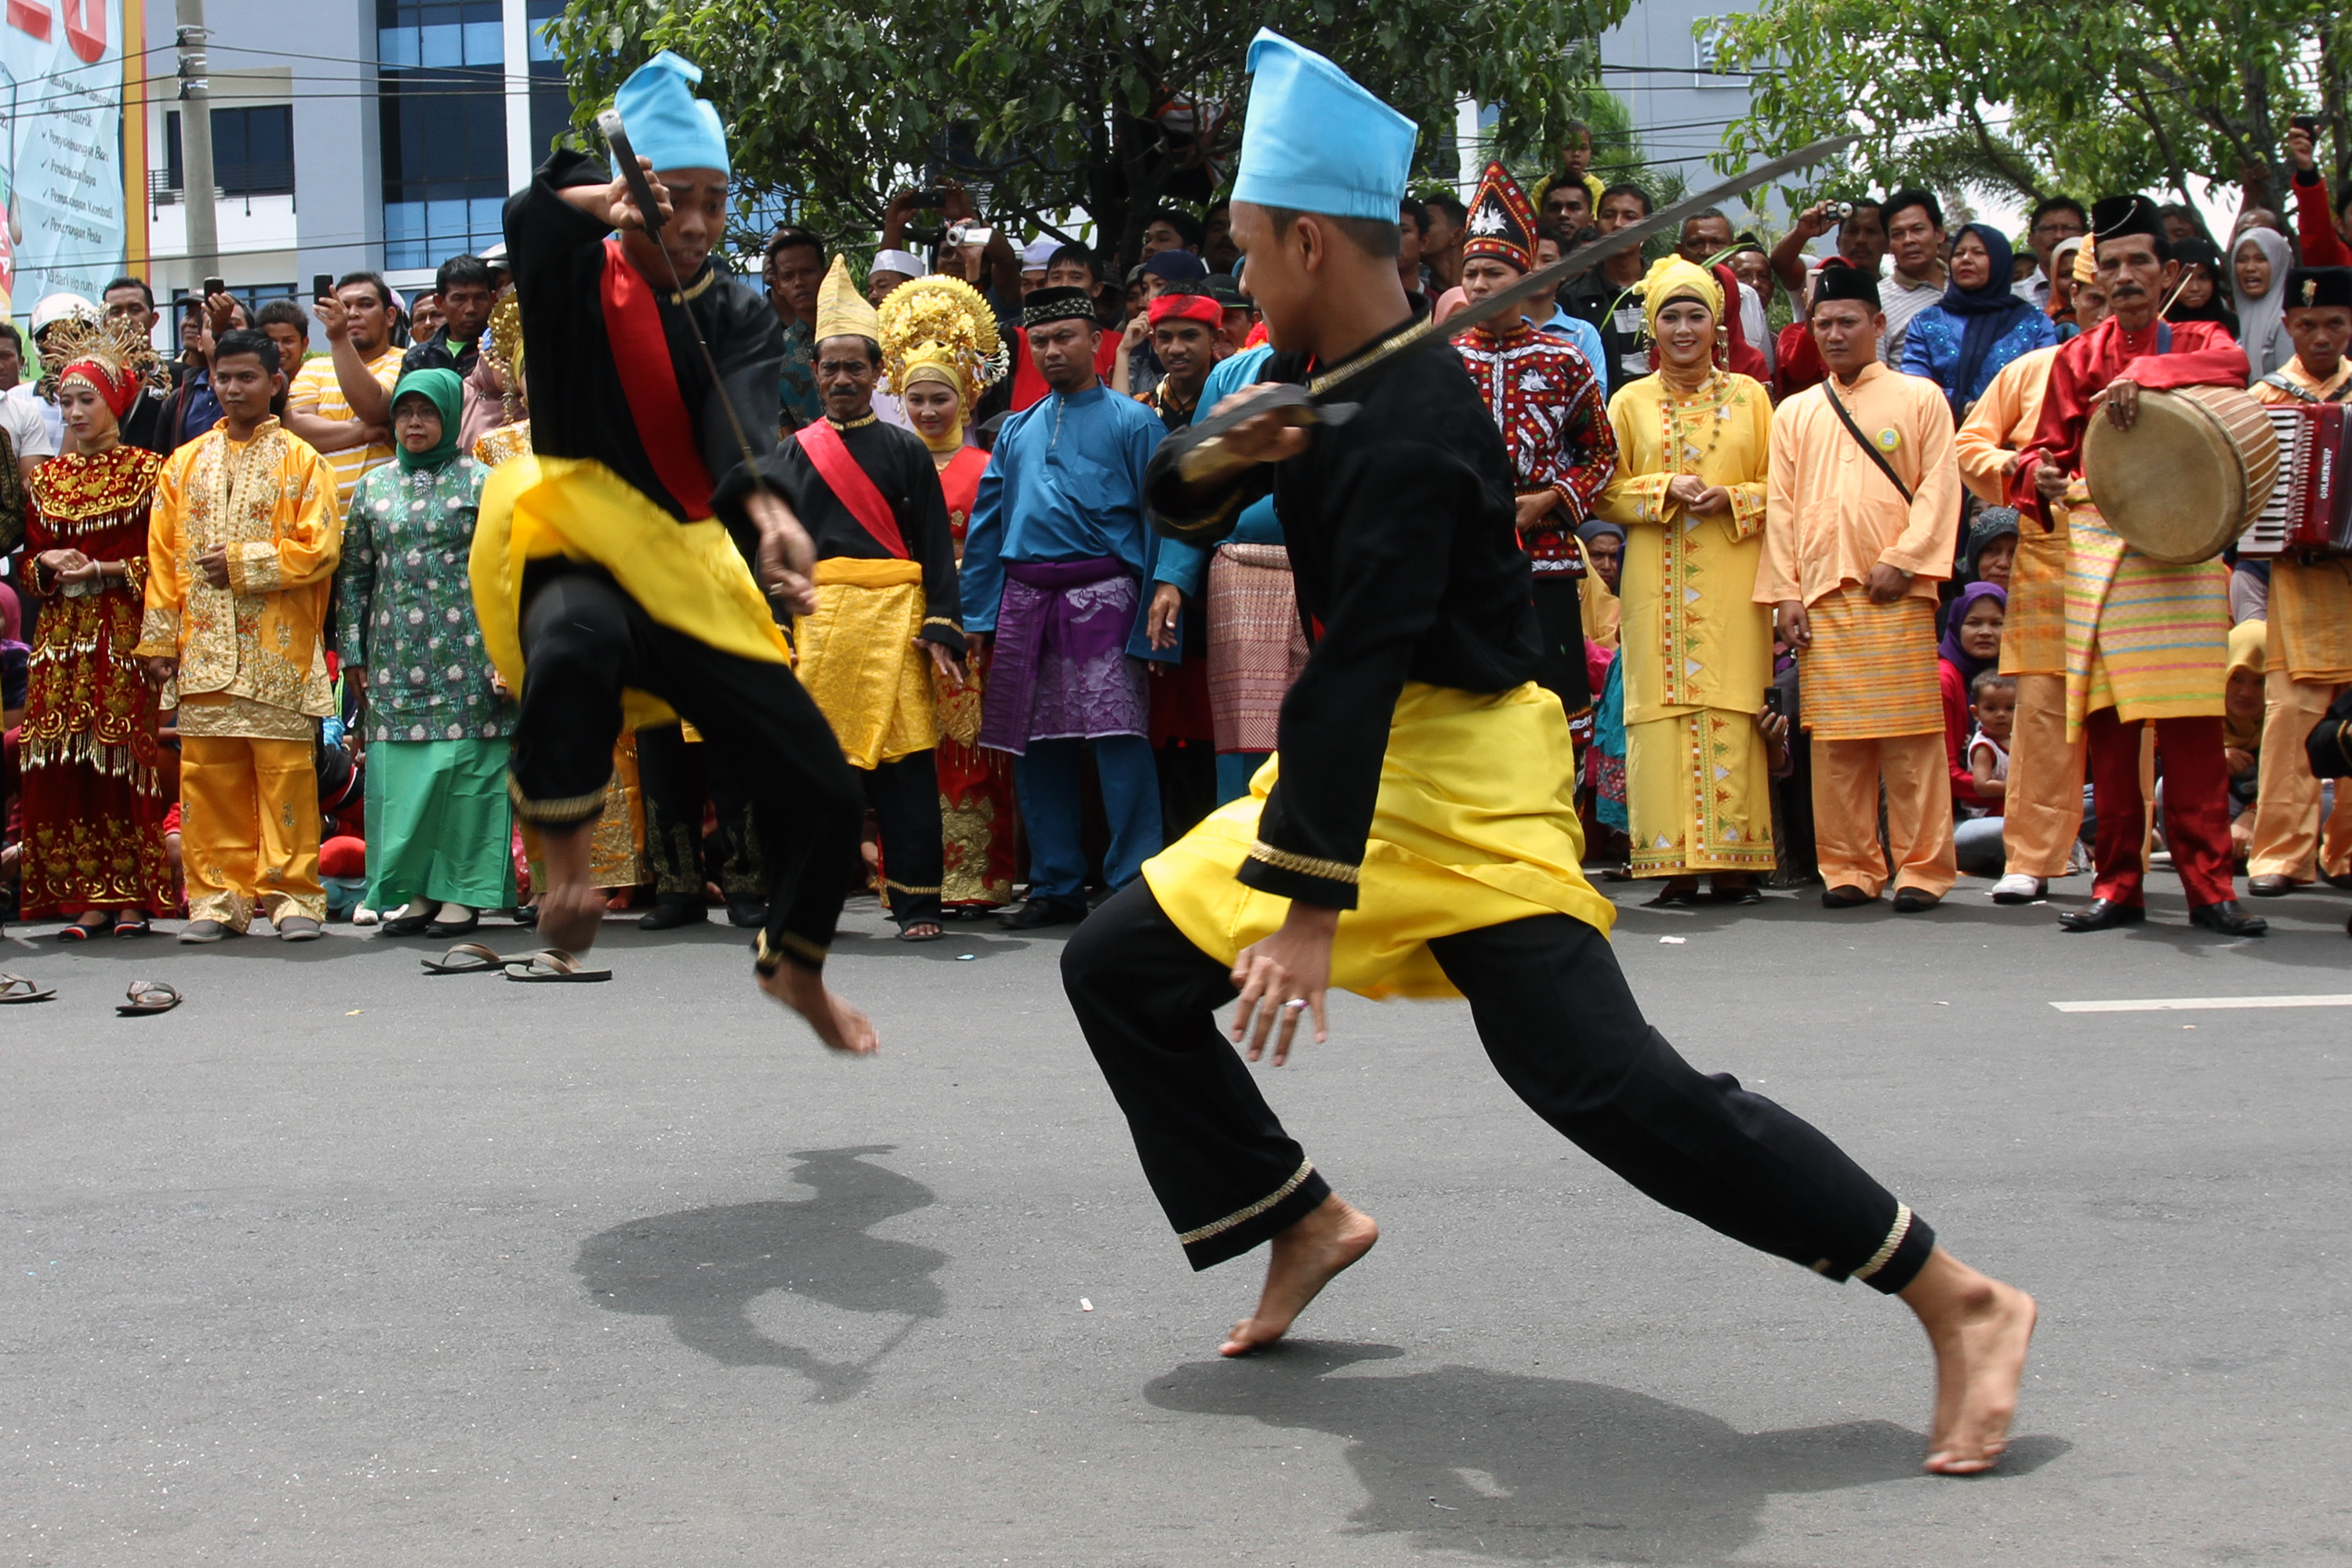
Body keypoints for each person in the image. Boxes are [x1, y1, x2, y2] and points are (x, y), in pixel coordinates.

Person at [1065, 31, 2034, 1479]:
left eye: (1255, 250)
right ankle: (1296, 1214)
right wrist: (1225, 449)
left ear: (1312, 240)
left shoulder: (1407, 426)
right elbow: (1177, 489)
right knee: (1120, 970)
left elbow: (1365, 671)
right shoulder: (1306, 365)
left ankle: (1957, 1296)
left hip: (1462, 778)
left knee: (1607, 1089)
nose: (1243, 278)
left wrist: (1311, 909)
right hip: (1372, 765)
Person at [469, 49, 874, 1043]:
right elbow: (531, 214)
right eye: (675, 199)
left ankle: (798, 963)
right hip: (575, 536)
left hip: (689, 563)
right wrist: (603, 200)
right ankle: (569, 870)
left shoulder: (736, 308)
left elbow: (736, 431)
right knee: (573, 646)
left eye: (716, 203)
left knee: (820, 785)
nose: (695, 224)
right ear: (631, 190)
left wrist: (773, 514)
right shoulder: (573, 269)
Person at [2009, 194, 2265, 936]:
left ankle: (2210, 889)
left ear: (2168, 273)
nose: (2124, 277)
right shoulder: (2076, 358)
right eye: (2111, 265)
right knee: (2113, 737)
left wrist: (2148, 376)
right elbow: (2038, 455)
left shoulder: (2198, 334)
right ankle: (2118, 884)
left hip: (2180, 551)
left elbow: (2234, 363)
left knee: (2192, 734)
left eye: (2138, 264)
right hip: (2098, 557)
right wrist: (2042, 481)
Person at [755, 260, 968, 942]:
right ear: (815, 375)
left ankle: (917, 904)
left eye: (856, 368)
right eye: (831, 368)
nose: (843, 379)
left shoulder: (907, 452)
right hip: (817, 627)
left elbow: (935, 544)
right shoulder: (789, 457)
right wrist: (775, 629)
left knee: (906, 766)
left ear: (878, 376)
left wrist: (942, 624)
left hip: (895, 625)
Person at [960, 282, 1173, 927]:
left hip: (1107, 595)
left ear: (1096, 341)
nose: (1053, 351)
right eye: (1042, 341)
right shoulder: (1017, 427)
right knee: (1037, 744)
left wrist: (1164, 608)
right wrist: (977, 616)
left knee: (1118, 739)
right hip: (1026, 601)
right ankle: (1054, 884)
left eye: (1065, 338)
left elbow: (1161, 517)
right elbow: (989, 525)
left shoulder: (1136, 421)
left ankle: (1133, 879)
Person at [1760, 266, 1963, 910]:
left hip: (1895, 593)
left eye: (1848, 321)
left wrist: (1905, 558)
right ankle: (1848, 866)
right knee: (1837, 745)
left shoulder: (1921, 397)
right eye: (1823, 323)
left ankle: (1923, 869)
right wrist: (1786, 592)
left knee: (1911, 740)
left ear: (1879, 324)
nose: (1835, 333)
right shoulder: (1794, 412)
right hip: (1823, 595)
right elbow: (1781, 506)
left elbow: (1940, 486)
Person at [132, 328, 339, 942]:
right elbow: (164, 557)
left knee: (285, 780)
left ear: (276, 383)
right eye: (223, 377)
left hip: (277, 651)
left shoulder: (303, 461)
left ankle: (292, 896)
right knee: (207, 780)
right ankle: (216, 898)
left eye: (247, 377)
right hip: (203, 652)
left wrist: (247, 562)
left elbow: (321, 546)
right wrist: (160, 642)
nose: (232, 388)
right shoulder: (185, 462)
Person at [1595, 258, 1777, 904]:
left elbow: (1780, 486)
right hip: (1656, 585)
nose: (1682, 328)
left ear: (1717, 324)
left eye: (1695, 314)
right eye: (1669, 316)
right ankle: (1669, 864)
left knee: (1731, 703)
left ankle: (1733, 864)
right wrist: (1662, 487)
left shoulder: (1752, 397)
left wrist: (1733, 499)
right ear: (1651, 329)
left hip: (1732, 574)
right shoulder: (1628, 402)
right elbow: (1604, 489)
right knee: (1660, 711)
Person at [332, 367, 514, 937]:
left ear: (449, 418)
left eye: (428, 413)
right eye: (405, 413)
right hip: (393, 657)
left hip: (470, 652)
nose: (415, 423)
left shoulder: (484, 482)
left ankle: (463, 894)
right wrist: (352, 653)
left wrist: (509, 654)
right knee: (402, 777)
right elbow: (355, 576)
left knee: (467, 772)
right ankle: (413, 892)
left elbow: (510, 570)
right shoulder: (373, 486)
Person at [17, 318, 175, 935]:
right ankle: (83, 893)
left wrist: (108, 567)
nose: (76, 413)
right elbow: (29, 560)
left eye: (88, 401)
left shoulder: (147, 471)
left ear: (116, 402)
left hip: (122, 633)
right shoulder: (47, 480)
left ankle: (133, 896)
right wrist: (47, 564)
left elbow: (167, 559)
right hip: (59, 640)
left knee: (121, 760)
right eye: (66, 402)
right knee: (63, 761)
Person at [1454, 160, 1617, 719]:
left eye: (1493, 274)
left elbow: (1602, 453)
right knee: (1477, 708)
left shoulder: (1564, 359)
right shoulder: (1443, 363)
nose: (1479, 284)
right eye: (1471, 273)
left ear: (1523, 278)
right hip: (1464, 560)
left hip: (1547, 560)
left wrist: (1549, 500)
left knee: (1556, 709)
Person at [882, 270, 1017, 912]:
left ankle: (981, 876)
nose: (929, 410)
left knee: (974, 748)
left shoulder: (988, 468)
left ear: (966, 398)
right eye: (918, 400)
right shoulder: (892, 466)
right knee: (911, 748)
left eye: (941, 398)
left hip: (972, 619)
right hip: (909, 619)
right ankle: (912, 876)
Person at [1955, 336, 2085, 904]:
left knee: (2130, 725)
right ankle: (2031, 857)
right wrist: (2014, 468)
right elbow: (1970, 444)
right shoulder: (2034, 368)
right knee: (2042, 720)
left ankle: (2122, 869)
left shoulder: (2156, 364)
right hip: (2049, 555)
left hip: (2136, 561)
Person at [2245, 266, 2352, 894]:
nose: (2320, 337)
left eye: (2334, 324)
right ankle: (2281, 854)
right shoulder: (2265, 400)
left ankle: (2345, 854)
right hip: (2297, 583)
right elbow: (2247, 495)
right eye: (2307, 324)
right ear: (2286, 325)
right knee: (2291, 719)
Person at [1900, 223, 2056, 424]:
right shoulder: (1926, 322)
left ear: (1999, 261)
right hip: (1945, 438)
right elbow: (1915, 386)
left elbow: (2047, 382)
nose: (1966, 259)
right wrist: (1963, 406)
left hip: (2017, 442)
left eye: (1978, 253)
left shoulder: (2033, 320)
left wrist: (1996, 412)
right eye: (1959, 254)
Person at [287, 273, 402, 510]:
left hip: (382, 517)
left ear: (390, 317)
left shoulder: (405, 361)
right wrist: (363, 432)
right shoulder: (313, 368)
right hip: (318, 523)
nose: (352, 313)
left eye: (366, 304)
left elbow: (373, 407)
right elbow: (294, 430)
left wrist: (339, 339)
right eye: (344, 306)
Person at [1007, 245, 1123, 412]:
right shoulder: (1021, 338)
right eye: (1056, 277)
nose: (1064, 285)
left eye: (1076, 277)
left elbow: (1124, 411)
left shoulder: (1118, 344)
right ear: (1046, 284)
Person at [1940, 582, 2006, 818]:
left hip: (2015, 804)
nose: (1986, 632)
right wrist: (2018, 795)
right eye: (1974, 623)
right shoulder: (1944, 679)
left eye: (1997, 623)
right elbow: (1944, 773)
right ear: (1956, 625)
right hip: (1958, 814)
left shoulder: (2013, 676)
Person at [1955, 669, 2017, 875]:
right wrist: (2018, 787)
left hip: (2013, 805)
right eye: (1991, 708)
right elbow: (1982, 786)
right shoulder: (1984, 747)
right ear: (1976, 712)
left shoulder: (2016, 738)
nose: (2001, 714)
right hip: (1987, 814)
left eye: (2010, 708)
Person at [765, 226, 826, 431]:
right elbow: (786, 431)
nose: (799, 282)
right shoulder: (776, 355)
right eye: (789, 276)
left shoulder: (862, 334)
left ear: (825, 274)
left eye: (807, 271)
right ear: (778, 285)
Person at [2231, 227, 2293, 379]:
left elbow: (2289, 385)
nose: (2250, 268)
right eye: (2242, 260)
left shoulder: (2285, 322)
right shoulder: (2235, 321)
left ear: (2279, 263)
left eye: (2261, 258)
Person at [2016, 198, 2088, 311]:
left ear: (2086, 237)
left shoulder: (2103, 287)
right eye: (2048, 229)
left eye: (2069, 228)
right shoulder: (2015, 297)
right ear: (2031, 239)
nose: (2059, 236)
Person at [2165, 239, 2239, 336]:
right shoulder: (2158, 328)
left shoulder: (2232, 326)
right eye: (2184, 279)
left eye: (2203, 278)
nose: (2195, 288)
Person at [1420, 193, 1468, 293]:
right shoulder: (1418, 296)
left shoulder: (1485, 289)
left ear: (1457, 235)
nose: (1419, 229)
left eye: (1428, 222)